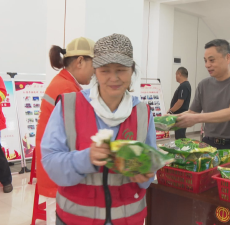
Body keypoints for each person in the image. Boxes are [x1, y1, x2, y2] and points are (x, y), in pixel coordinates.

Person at [41, 33, 156, 225]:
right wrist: (86, 158)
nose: (114, 78)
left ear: (132, 70)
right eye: (105, 71)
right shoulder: (69, 105)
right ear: (95, 71)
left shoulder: (143, 113)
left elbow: (150, 168)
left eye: (121, 70)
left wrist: (145, 174)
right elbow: (50, 163)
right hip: (75, 219)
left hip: (128, 219)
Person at [35, 37, 95, 224]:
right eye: (95, 65)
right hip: (58, 171)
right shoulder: (66, 88)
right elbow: (78, 134)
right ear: (80, 61)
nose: (95, 73)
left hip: (56, 167)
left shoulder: (66, 83)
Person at [176, 39, 230, 158]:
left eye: (211, 60)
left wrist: (196, 118)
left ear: (227, 58)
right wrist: (170, 118)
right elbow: (192, 112)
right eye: (205, 61)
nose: (207, 65)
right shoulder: (203, 84)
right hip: (208, 145)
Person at [168, 67, 191, 139]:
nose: (175, 77)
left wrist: (170, 111)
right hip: (179, 115)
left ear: (179, 74)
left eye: (176, 74)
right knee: (179, 136)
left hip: (180, 115)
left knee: (180, 137)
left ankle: (182, 149)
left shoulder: (184, 86)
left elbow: (180, 102)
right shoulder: (184, 85)